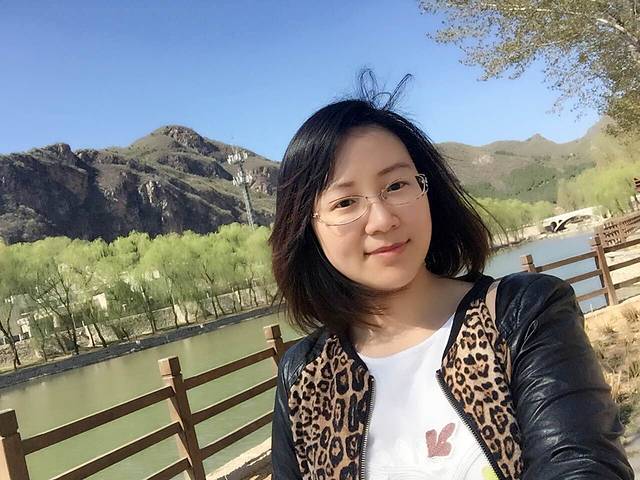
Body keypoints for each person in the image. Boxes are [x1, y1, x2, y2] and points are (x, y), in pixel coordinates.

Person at [268, 74, 633, 480]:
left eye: (396, 185)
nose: (383, 219)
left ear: (427, 191)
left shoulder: (522, 315)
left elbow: (580, 464)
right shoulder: (305, 377)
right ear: (308, 229)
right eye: (346, 202)